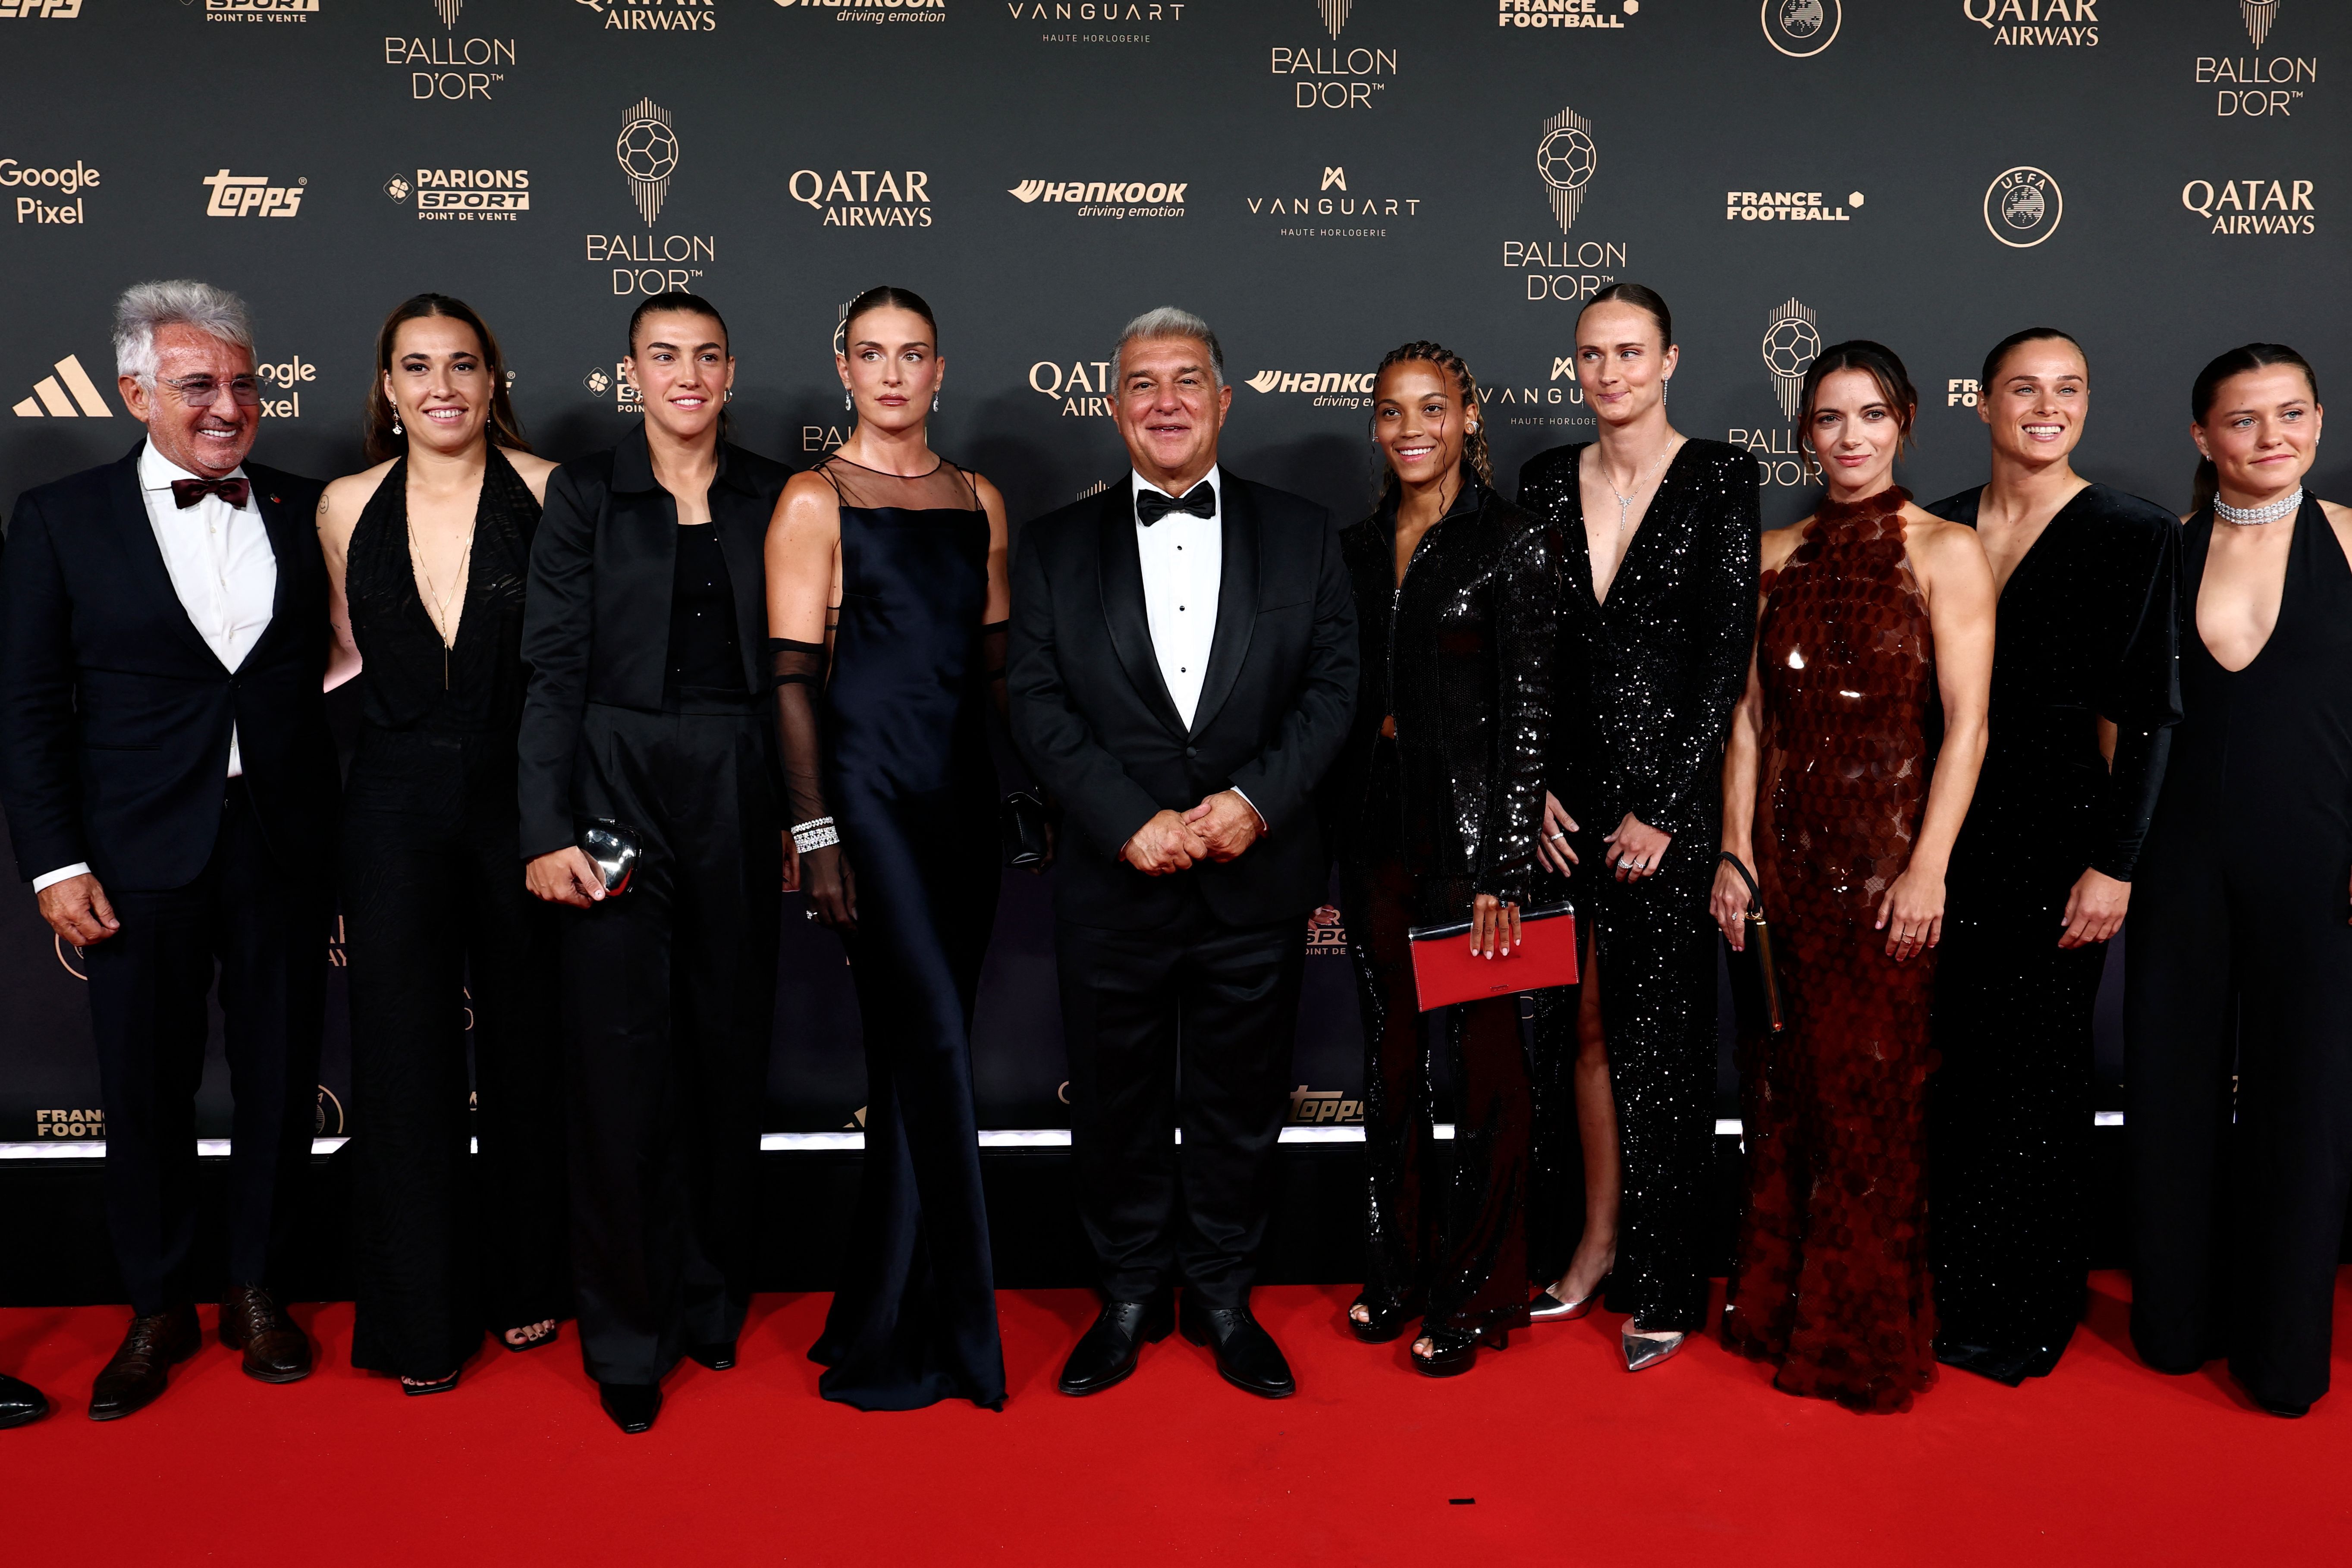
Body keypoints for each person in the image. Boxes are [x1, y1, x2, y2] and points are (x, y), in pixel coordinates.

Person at [1007, 307, 1357, 1400]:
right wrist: (1128, 820)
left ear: (1225, 398)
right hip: (1114, 885)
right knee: (1112, 1102)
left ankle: (1220, 1295)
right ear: (1114, 406)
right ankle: (1123, 1296)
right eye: (1144, 383)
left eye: (1187, 380)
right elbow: (1036, 700)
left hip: (1256, 879)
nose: (1166, 401)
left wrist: (1254, 800)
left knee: (1239, 1101)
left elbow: (1335, 687)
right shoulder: (1057, 546)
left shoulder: (1304, 534)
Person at [0, 281, 335, 1420]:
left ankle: (256, 1289)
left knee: (284, 1076)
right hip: (134, 848)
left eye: (243, 382)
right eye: (199, 384)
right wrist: (55, 862)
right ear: (136, 390)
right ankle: (155, 1307)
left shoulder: (306, 506)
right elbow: (31, 707)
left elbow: (333, 672)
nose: (228, 405)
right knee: (143, 1087)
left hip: (283, 841)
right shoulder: (61, 518)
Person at [517, 292, 792, 1434]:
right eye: (663, 356)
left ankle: (710, 1297)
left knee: (727, 1051)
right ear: (630, 371)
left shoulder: (780, 491)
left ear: (731, 371)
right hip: (613, 785)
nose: (687, 375)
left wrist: (805, 825)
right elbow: (550, 668)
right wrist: (543, 827)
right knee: (621, 1070)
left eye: (707, 356)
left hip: (740, 776)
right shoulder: (585, 490)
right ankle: (626, 1335)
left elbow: (803, 675)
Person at [1709, 341, 1994, 1414]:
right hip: (1782, 873)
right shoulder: (1773, 553)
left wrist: (1929, 868)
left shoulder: (1947, 551)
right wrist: (1735, 851)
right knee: (1788, 1101)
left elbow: (1966, 728)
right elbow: (1747, 721)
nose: (1851, 438)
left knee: (1877, 1101)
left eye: (1871, 416)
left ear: (1907, 422)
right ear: (1805, 436)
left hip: (1886, 877)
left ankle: (1860, 1341)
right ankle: (1780, 1310)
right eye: (1830, 420)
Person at [765, 286, 1015, 1411]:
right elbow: (788, 682)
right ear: (843, 366)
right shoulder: (814, 500)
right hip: (866, 802)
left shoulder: (978, 499)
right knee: (938, 1058)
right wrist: (816, 831)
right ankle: (951, 1335)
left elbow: (996, 668)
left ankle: (876, 1303)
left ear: (939, 368)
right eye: (872, 354)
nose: (893, 374)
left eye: (912, 354)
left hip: (963, 804)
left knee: (920, 1052)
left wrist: (1023, 793)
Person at [317, 294, 567, 1397]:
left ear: (491, 377)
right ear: (387, 388)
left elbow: (576, 668)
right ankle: (419, 1320)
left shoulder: (555, 491)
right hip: (392, 803)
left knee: (528, 1049)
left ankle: (527, 1283)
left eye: (462, 364)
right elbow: (338, 659)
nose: (442, 387)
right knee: (403, 1059)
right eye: (416, 367)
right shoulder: (341, 505)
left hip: (522, 798)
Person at [1922, 329, 2181, 1386]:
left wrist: (2116, 863)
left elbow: (2152, 718)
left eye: (2068, 390)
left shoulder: (2132, 533)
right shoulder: (1932, 523)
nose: (2047, 407)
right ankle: (1955, 1286)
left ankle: (2032, 1305)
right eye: (2024, 389)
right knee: (1958, 1074)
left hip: (2060, 844)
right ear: (1980, 405)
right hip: (1941, 847)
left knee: (2039, 1078)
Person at [1515, 284, 1760, 1372]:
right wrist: (1532, 791)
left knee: (1663, 1049)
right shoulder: (1539, 484)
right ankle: (1596, 1242)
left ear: (1670, 360)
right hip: (1564, 811)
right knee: (1581, 1035)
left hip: (1665, 813)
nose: (1608, 372)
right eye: (1590, 355)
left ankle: (1664, 1274)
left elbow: (1723, 661)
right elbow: (1525, 656)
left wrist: (1667, 811)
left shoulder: (1719, 477)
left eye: (1629, 352)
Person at [2127, 343, 2352, 1418]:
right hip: (2182, 865)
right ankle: (2176, 1320)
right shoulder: (2167, 554)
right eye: (2247, 420)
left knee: (2302, 1096)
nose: (2274, 438)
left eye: (2293, 413)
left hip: (2320, 863)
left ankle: (2282, 1349)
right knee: (2171, 1084)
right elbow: (2122, 721)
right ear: (2202, 438)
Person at [1330, 343, 1557, 1376]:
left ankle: (1475, 1292)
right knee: (1394, 1063)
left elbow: (1529, 717)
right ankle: (1398, 1270)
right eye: (1391, 411)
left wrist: (1507, 868)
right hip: (1378, 837)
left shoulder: (1512, 542)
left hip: (1475, 853)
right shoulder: (1356, 543)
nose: (1410, 428)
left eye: (1431, 408)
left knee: (1487, 1075)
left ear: (1469, 416)